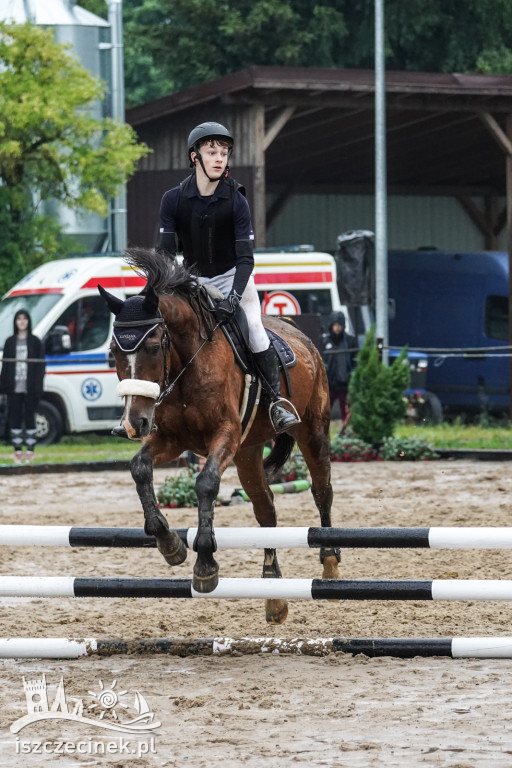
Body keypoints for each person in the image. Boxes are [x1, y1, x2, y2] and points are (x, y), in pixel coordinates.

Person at [157, 121, 300, 434]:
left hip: (234, 278)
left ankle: (275, 402)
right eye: (212, 151)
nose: (219, 157)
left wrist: (233, 297)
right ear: (195, 157)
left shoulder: (237, 200)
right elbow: (166, 255)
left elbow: (246, 258)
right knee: (163, 332)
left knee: (255, 333)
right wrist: (164, 291)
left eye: (223, 152)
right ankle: (152, 404)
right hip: (193, 281)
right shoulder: (173, 199)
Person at [0, 309, 46, 463]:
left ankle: (31, 451)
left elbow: (41, 368)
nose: (22, 321)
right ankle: (18, 451)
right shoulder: (9, 342)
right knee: (15, 418)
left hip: (31, 388)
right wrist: (3, 388)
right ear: (15, 322)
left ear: (28, 321)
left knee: (29, 417)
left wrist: (38, 387)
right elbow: (5, 367)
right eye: (19, 318)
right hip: (14, 388)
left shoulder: (35, 341)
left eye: (24, 318)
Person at [322, 312, 358, 429]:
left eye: (339, 325)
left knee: (346, 413)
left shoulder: (350, 341)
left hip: (345, 386)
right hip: (329, 386)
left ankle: (345, 434)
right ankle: (323, 434)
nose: (337, 328)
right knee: (324, 413)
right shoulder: (324, 341)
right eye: (335, 325)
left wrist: (351, 377)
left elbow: (355, 362)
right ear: (331, 325)